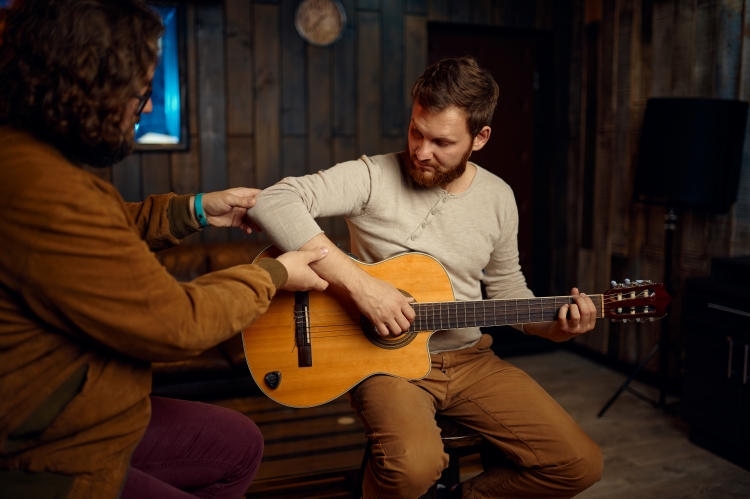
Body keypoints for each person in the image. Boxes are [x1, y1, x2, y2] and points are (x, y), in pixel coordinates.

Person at [0, 1, 329, 498]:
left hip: (97, 420)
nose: (143, 108)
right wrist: (275, 275)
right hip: (55, 457)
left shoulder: (31, 161)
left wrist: (195, 209)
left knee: (237, 442)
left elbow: (101, 233)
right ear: (86, 85)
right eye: (138, 93)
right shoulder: (44, 187)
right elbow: (179, 324)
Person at [249, 56, 603, 498]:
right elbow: (272, 201)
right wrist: (361, 287)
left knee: (579, 464)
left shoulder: (499, 198)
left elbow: (509, 290)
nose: (420, 150)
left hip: (472, 360)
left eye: (441, 141)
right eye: (417, 130)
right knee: (413, 469)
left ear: (480, 138)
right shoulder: (374, 176)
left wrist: (556, 328)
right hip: (384, 364)